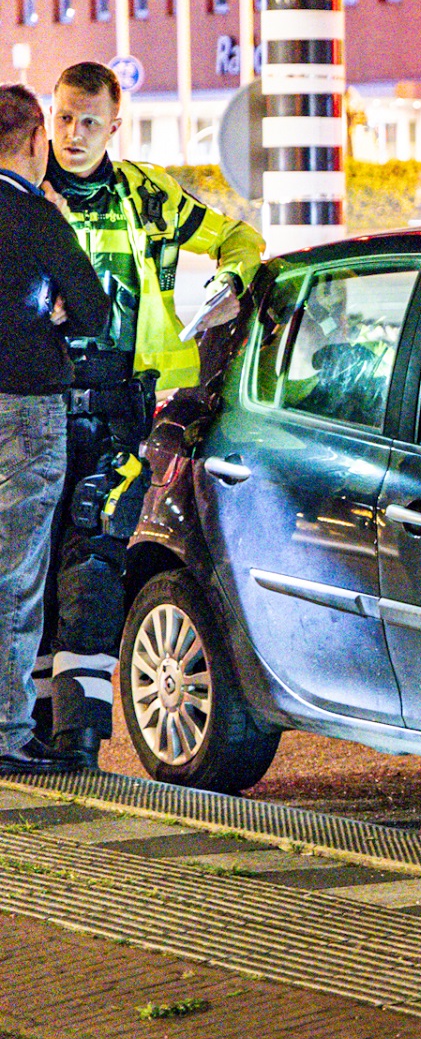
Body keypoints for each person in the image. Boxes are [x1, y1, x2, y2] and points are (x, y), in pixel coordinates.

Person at [38, 61, 264, 768]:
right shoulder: (24, 191)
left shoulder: (144, 196)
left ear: (114, 126)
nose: (74, 135)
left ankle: (76, 735)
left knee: (96, 548)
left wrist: (229, 282)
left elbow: (239, 238)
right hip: (37, 396)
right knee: (34, 558)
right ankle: (39, 724)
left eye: (89, 122)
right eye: (65, 118)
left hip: (119, 402)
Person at [0, 86, 109, 773]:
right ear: (37, 139)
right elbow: (94, 310)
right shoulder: (38, 218)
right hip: (27, 410)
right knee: (14, 574)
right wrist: (55, 315)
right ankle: (8, 730)